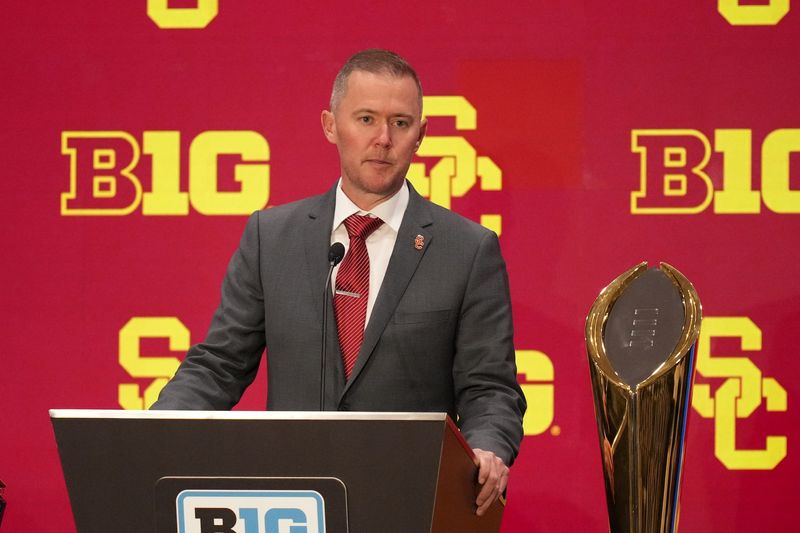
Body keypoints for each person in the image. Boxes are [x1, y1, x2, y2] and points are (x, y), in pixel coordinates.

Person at [152, 48, 526, 516]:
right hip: (291, 501)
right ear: (331, 125)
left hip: (411, 501)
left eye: (401, 123)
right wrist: (157, 431)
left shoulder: (468, 250)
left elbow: (490, 387)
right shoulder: (272, 237)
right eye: (366, 118)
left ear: (421, 136)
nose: (383, 139)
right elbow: (221, 363)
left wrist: (487, 449)